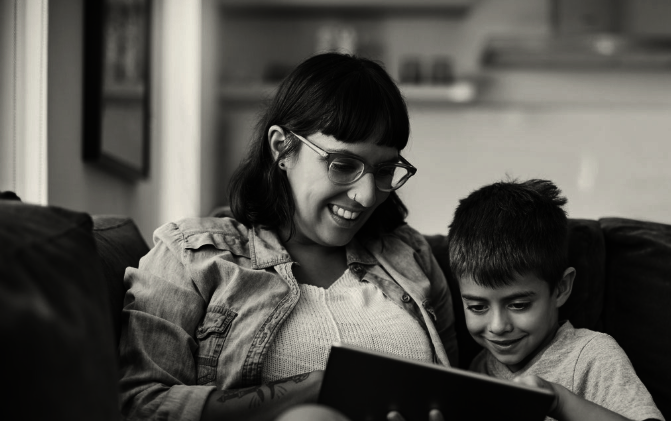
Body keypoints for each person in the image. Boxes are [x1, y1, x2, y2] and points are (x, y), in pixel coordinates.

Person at [118, 53, 457, 421]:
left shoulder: (411, 255)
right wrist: (305, 392)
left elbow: (459, 389)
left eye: (385, 170)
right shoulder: (191, 255)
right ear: (282, 147)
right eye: (343, 165)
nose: (367, 195)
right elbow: (141, 404)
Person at [447, 179, 664, 421]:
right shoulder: (480, 367)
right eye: (477, 307)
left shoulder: (592, 355)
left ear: (560, 288)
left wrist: (558, 401)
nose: (497, 326)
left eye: (518, 305)